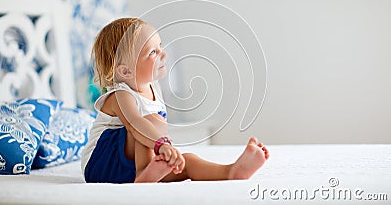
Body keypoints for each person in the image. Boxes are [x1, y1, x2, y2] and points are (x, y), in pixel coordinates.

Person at [81, 18, 269, 183]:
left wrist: (165, 152)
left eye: (160, 45)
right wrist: (161, 144)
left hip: (136, 162)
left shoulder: (155, 88)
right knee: (145, 123)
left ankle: (230, 171)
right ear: (125, 71)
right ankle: (144, 175)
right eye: (152, 52)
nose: (163, 53)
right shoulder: (120, 95)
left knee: (187, 161)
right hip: (102, 164)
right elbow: (134, 124)